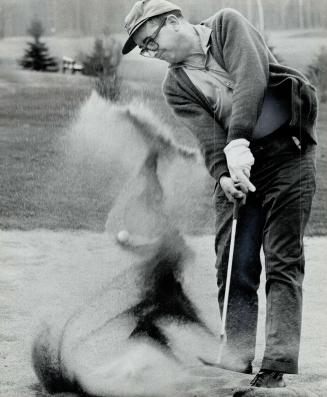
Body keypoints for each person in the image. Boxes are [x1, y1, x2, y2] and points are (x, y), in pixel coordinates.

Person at [121, 0, 318, 388]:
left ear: (174, 21)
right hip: (237, 166)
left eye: (151, 40)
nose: (151, 52)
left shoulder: (228, 25)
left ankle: (276, 363)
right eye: (144, 48)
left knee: (282, 260)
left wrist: (239, 140)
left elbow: (252, 78)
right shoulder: (175, 84)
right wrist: (223, 175)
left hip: (288, 156)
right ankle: (238, 357)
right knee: (234, 261)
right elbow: (209, 138)